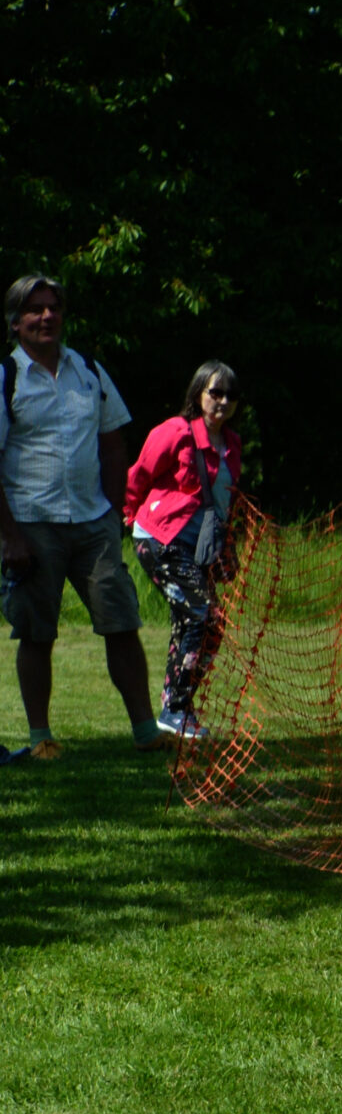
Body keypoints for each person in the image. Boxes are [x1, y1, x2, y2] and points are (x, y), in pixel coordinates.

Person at [0, 273, 169, 760]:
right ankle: (41, 739)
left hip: (93, 523)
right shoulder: (6, 378)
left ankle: (144, 730)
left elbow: (114, 446)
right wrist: (9, 538)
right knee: (36, 632)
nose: (47, 316)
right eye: (35, 309)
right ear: (15, 323)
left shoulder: (89, 371)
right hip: (31, 524)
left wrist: (115, 514)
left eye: (54, 307)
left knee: (122, 623)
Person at [123, 361, 248, 740]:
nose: (223, 402)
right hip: (160, 537)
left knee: (203, 623)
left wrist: (226, 546)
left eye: (231, 396)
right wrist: (129, 518)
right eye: (215, 393)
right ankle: (174, 711)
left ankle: (178, 708)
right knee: (201, 613)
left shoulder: (232, 443)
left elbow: (226, 501)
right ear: (198, 393)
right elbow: (138, 474)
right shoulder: (176, 431)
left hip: (199, 547)